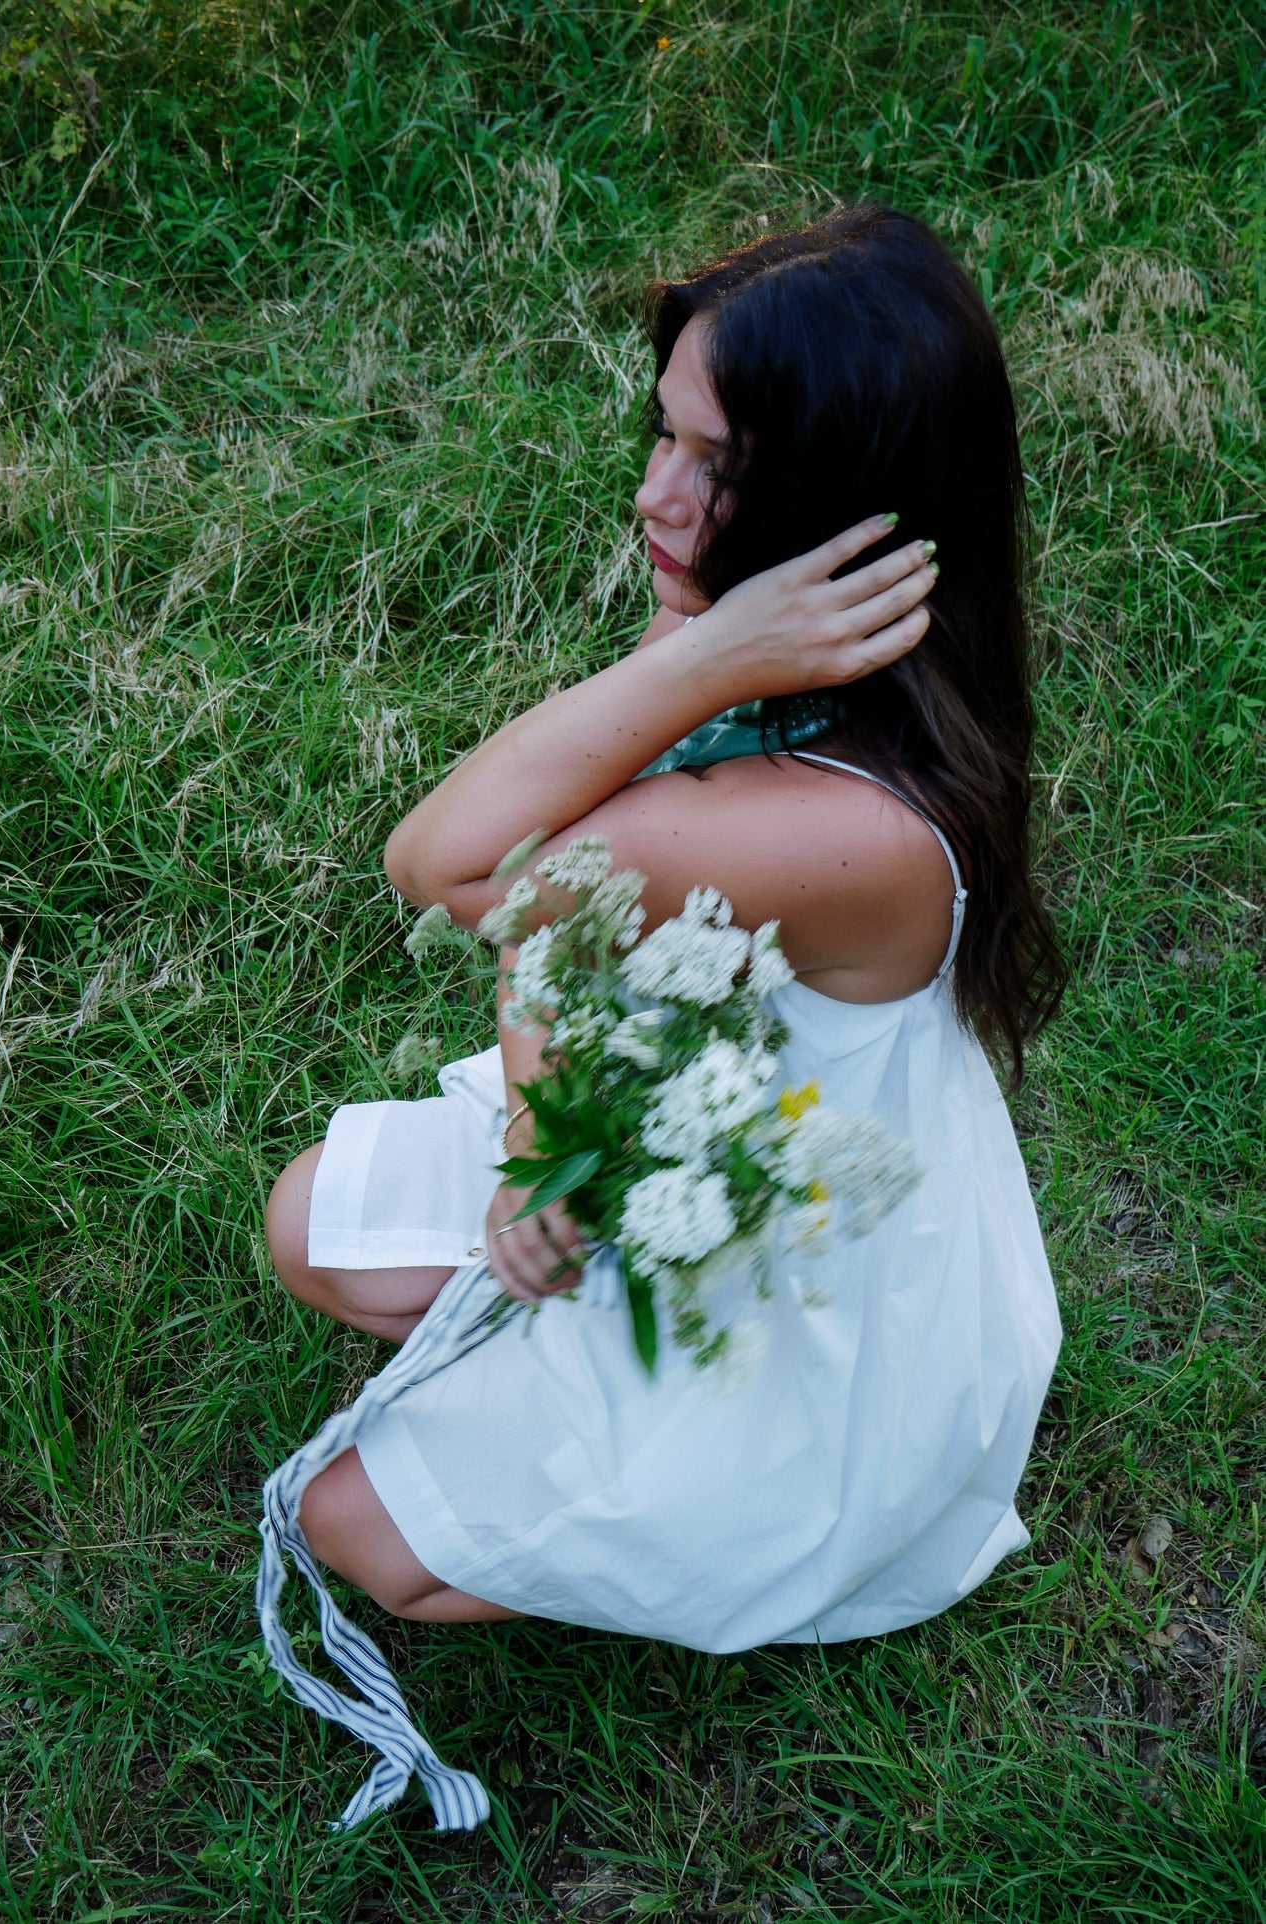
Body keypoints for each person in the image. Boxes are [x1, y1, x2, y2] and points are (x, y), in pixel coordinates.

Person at [263, 204, 1065, 1668]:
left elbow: (447, 865)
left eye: (722, 470)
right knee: (313, 1225)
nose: (655, 499)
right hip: (693, 1124)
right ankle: (560, 1339)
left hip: (802, 1298)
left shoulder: (839, 823)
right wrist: (532, 1142)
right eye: (665, 437)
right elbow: (545, 939)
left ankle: (758, 1491)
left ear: (844, 515)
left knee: (348, 1524)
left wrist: (699, 654)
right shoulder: (843, 698)